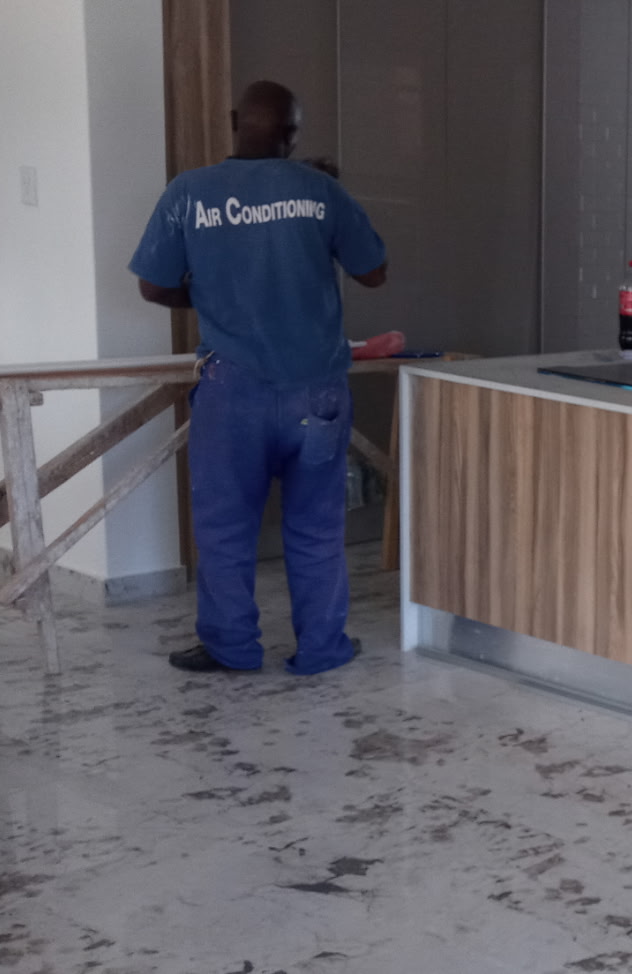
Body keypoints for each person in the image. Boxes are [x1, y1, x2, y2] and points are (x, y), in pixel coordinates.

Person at [130, 80, 388, 675]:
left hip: (233, 391)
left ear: (232, 120)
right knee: (316, 526)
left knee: (225, 527)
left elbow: (151, 285)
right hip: (317, 392)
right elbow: (373, 272)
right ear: (292, 136)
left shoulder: (189, 192)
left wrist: (214, 295)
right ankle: (322, 649)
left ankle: (231, 648)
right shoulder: (321, 191)